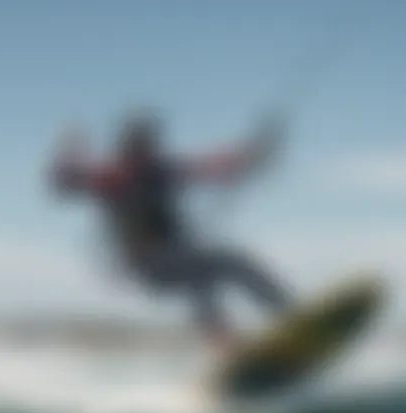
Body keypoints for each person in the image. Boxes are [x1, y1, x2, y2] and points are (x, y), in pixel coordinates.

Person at [45, 110, 295, 350]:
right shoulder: (113, 178)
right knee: (228, 263)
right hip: (147, 263)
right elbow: (64, 183)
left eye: (150, 145)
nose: (149, 151)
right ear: (128, 147)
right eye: (142, 145)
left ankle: (232, 344)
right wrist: (68, 150)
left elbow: (214, 167)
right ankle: (285, 317)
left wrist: (256, 153)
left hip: (175, 257)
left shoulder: (162, 171)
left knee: (204, 279)